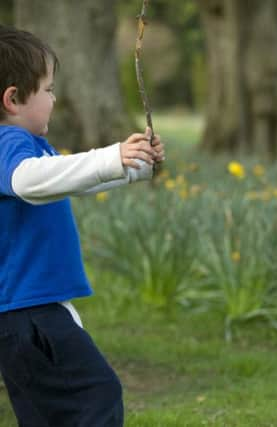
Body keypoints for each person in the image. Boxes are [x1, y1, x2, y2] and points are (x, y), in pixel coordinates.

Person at [0, 25, 164, 426]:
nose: (55, 100)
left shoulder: (29, 146)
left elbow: (66, 182)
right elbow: (29, 181)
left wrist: (132, 167)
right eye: (49, 90)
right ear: (14, 98)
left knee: (51, 415)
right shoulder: (8, 144)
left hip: (26, 314)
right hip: (28, 312)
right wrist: (111, 157)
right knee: (96, 394)